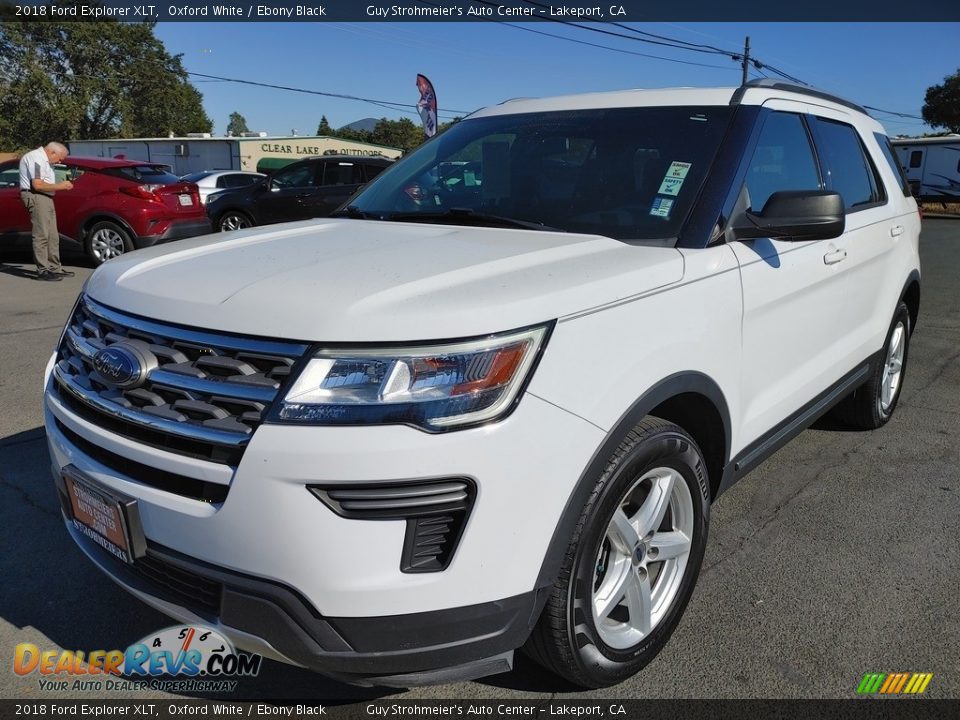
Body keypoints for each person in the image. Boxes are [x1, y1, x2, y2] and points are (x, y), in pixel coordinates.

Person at [19, 142, 75, 281]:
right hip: (36, 196)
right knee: (42, 234)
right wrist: (60, 186)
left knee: (53, 236)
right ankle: (42, 270)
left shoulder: (45, 159)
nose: (60, 161)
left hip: (46, 197)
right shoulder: (36, 158)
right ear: (52, 152)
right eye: (60, 158)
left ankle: (55, 268)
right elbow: (37, 185)